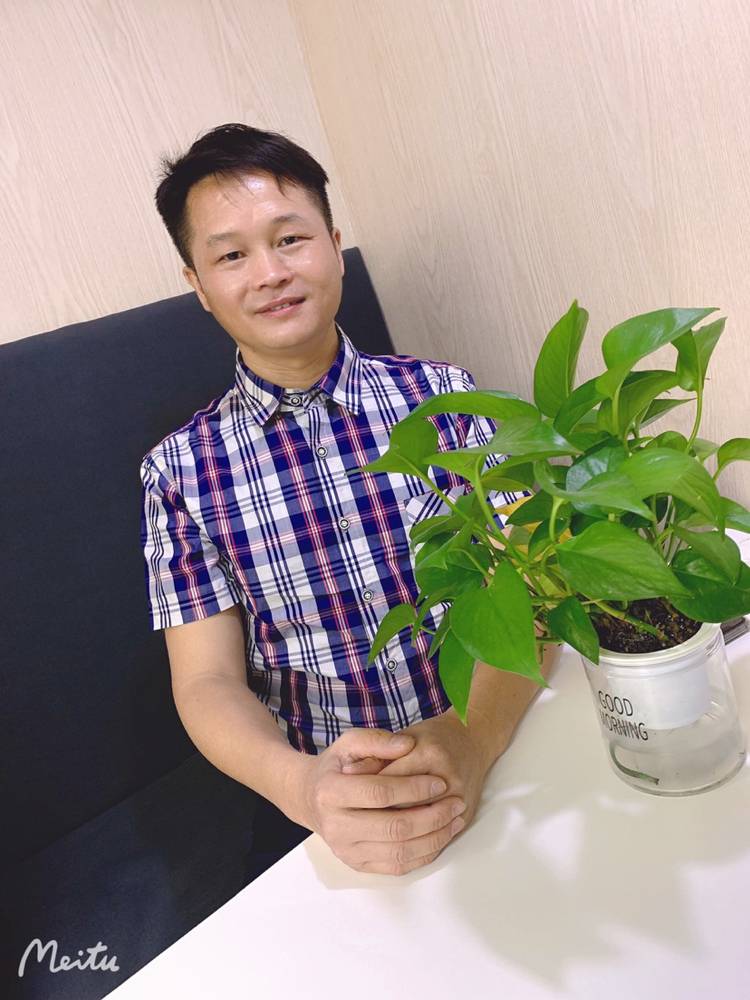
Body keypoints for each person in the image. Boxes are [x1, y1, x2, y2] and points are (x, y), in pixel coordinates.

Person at [140, 123, 555, 879]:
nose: (270, 272)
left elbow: (536, 583)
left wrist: (473, 738)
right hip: (325, 801)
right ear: (198, 286)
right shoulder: (178, 472)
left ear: (334, 245)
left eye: (290, 239)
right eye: (231, 256)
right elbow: (205, 682)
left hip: (503, 739)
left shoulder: (446, 398)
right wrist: (303, 787)